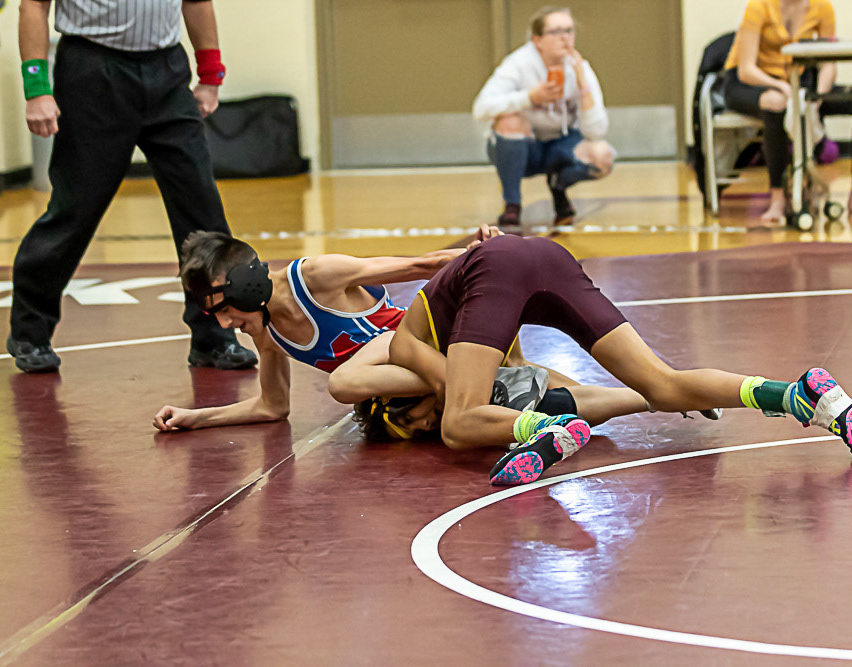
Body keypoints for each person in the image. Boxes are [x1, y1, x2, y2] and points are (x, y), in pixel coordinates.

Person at [387, 234, 852, 486]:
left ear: (398, 396)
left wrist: (525, 419)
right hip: (548, 256)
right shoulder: (473, 333)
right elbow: (543, 379)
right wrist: (627, 399)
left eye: (416, 419)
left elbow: (452, 397)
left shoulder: (404, 341)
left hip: (499, 267)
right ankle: (801, 396)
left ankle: (545, 432)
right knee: (664, 386)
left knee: (458, 426)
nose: (425, 423)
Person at [8, 0, 256, 373]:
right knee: (76, 209)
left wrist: (210, 75)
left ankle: (214, 337)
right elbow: (33, 6)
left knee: (202, 209)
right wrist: (36, 87)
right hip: (92, 70)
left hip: (167, 70)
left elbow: (197, 2)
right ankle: (30, 332)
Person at [153, 229, 498, 431]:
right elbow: (272, 407)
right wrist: (195, 418)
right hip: (404, 374)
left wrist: (481, 253)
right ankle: (472, 382)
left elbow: (421, 265)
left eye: (225, 310)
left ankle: (468, 380)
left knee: (344, 383)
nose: (226, 325)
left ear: (247, 287)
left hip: (420, 339)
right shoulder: (267, 333)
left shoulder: (317, 276)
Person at [472, 5, 615, 228]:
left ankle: (559, 185)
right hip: (525, 148)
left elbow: (596, 132)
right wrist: (529, 97)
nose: (565, 38)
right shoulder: (518, 64)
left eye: (569, 31)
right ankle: (512, 204)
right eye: (556, 32)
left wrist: (583, 88)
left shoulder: (580, 68)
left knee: (602, 157)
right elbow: (480, 108)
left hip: (560, 145)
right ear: (537, 40)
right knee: (509, 121)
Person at [722, 0, 841, 226]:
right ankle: (777, 194)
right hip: (748, 82)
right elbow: (746, 69)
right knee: (777, 103)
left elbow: (829, 64)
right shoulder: (759, 7)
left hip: (793, 82)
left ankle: (803, 185)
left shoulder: (822, 8)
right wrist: (783, 88)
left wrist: (817, 99)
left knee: (805, 104)